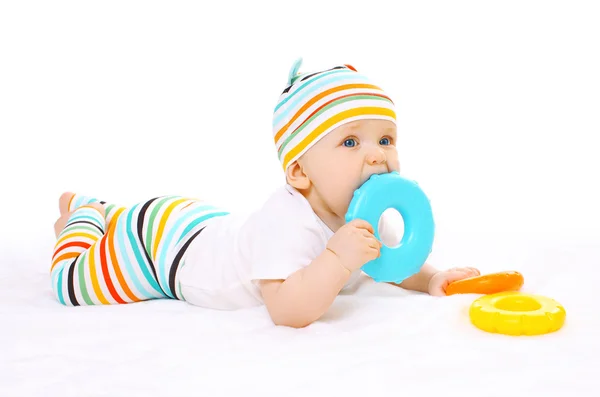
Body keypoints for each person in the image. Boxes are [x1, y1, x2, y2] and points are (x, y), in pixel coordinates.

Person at [51, 58, 480, 328]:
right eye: (350, 143)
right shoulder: (287, 220)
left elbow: (389, 262)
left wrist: (431, 279)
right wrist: (336, 259)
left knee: (212, 230)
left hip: (204, 224)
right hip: (160, 250)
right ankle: (83, 217)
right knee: (71, 285)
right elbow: (287, 311)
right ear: (298, 172)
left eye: (385, 140)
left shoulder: (366, 207)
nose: (376, 157)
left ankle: (107, 209)